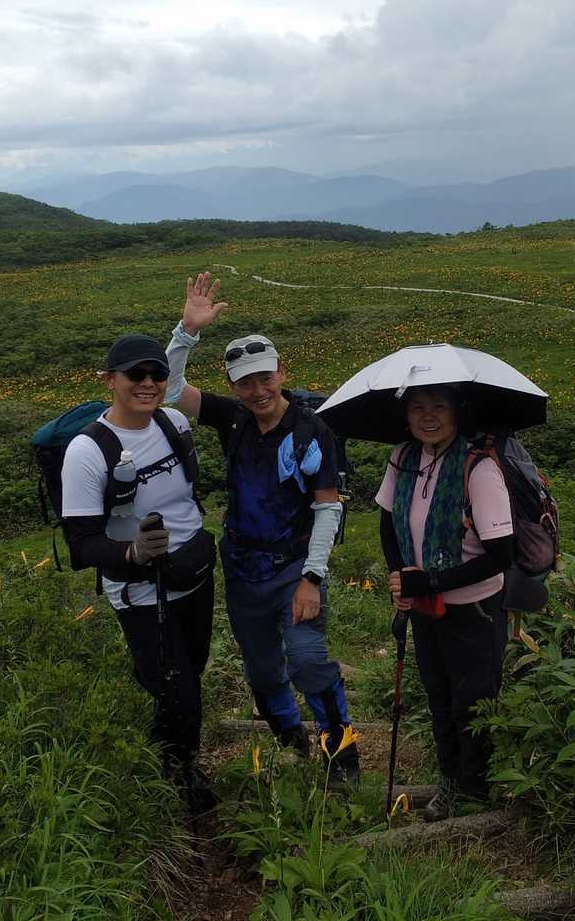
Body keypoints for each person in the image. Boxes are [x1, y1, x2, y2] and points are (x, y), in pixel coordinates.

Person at [164, 272, 359, 785]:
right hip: (243, 568)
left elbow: (327, 507)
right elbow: (172, 389)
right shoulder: (233, 418)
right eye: (245, 383)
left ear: (281, 372)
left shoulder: (311, 430)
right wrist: (187, 332)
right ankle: (290, 737)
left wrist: (312, 578)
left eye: (265, 378)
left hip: (293, 566)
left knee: (307, 660)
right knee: (262, 668)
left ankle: (341, 755)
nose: (257, 391)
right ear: (233, 386)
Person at [59, 332, 217, 810]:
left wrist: (186, 332)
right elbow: (81, 544)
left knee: (189, 674)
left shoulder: (172, 423)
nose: (148, 383)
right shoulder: (87, 452)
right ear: (110, 380)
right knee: (177, 691)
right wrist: (133, 554)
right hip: (144, 593)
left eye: (156, 374)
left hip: (194, 575)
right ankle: (179, 779)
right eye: (135, 374)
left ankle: (166, 752)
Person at [377, 384, 514, 821]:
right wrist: (401, 576)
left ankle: (474, 790)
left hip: (474, 607)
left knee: (472, 699)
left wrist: (431, 581)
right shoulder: (403, 458)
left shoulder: (479, 469)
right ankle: (451, 779)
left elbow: (501, 555)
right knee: (438, 693)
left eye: (439, 406)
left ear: (458, 413)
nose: (428, 416)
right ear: (406, 416)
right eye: (418, 407)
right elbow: (387, 523)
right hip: (426, 607)